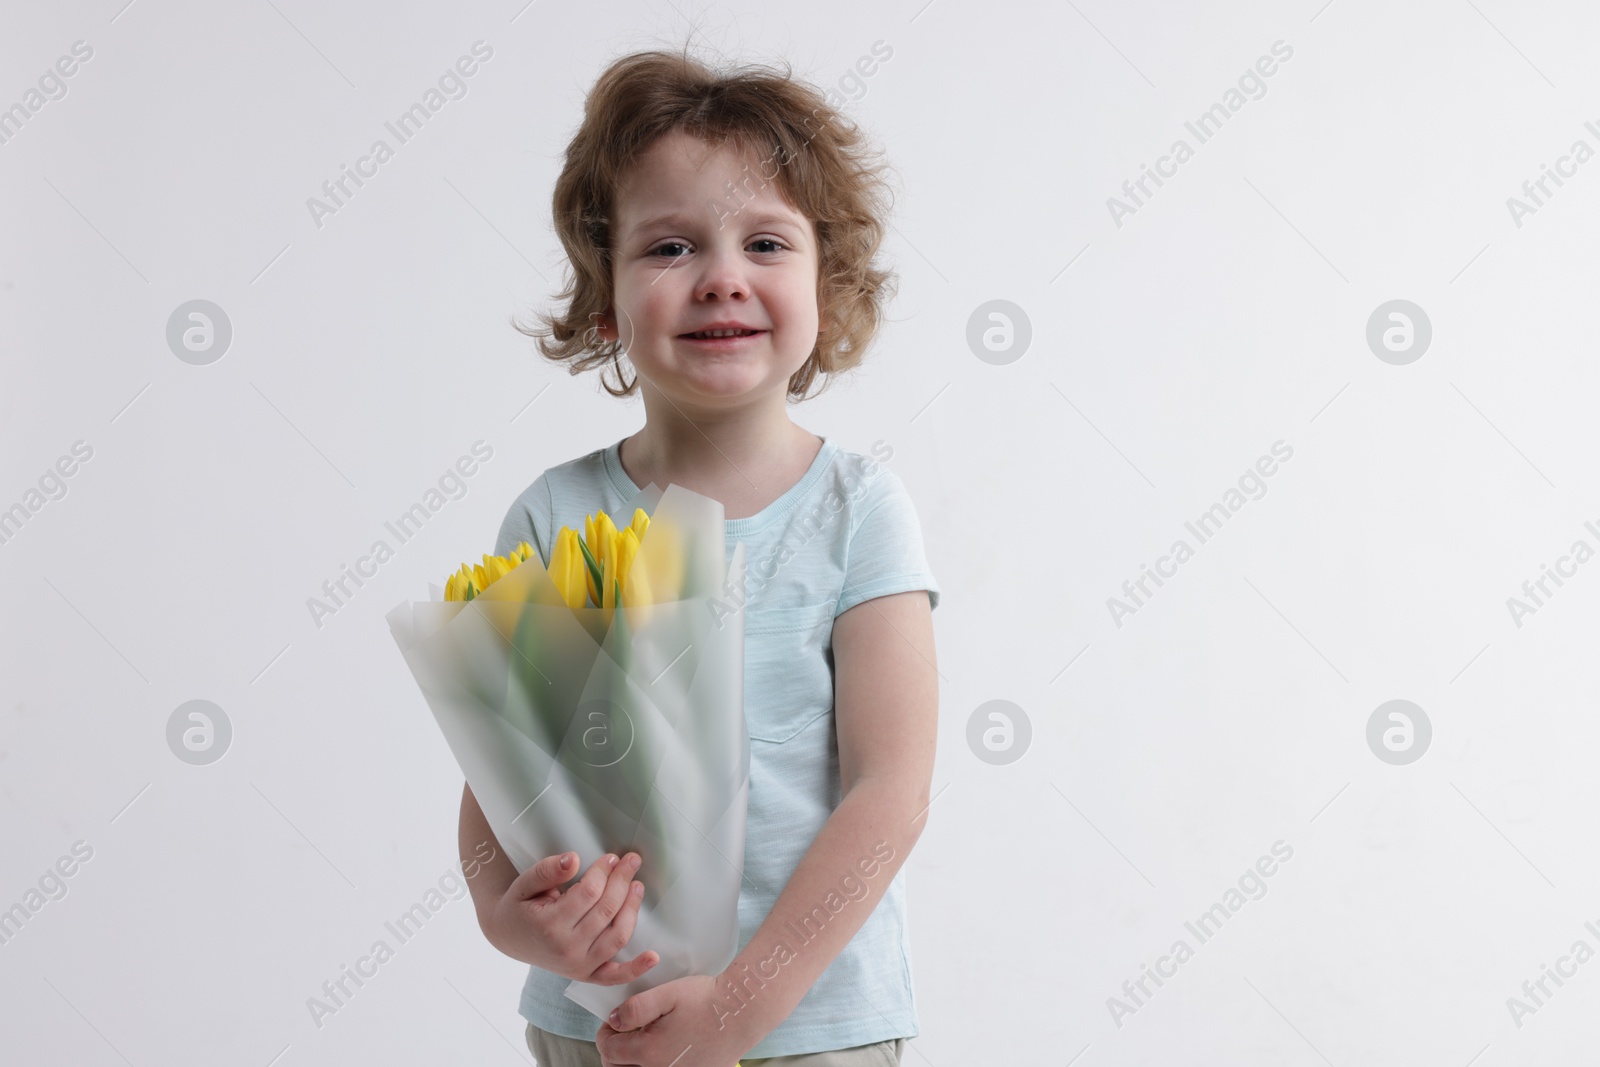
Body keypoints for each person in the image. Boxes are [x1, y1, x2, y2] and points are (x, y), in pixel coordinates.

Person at [458, 43, 941, 1067]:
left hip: (815, 1029)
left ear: (829, 285)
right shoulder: (557, 514)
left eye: (766, 243)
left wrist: (738, 1007)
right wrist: (509, 921)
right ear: (606, 298)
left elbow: (888, 791)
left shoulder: (861, 511)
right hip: (600, 1026)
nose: (722, 278)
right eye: (670, 248)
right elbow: (496, 786)